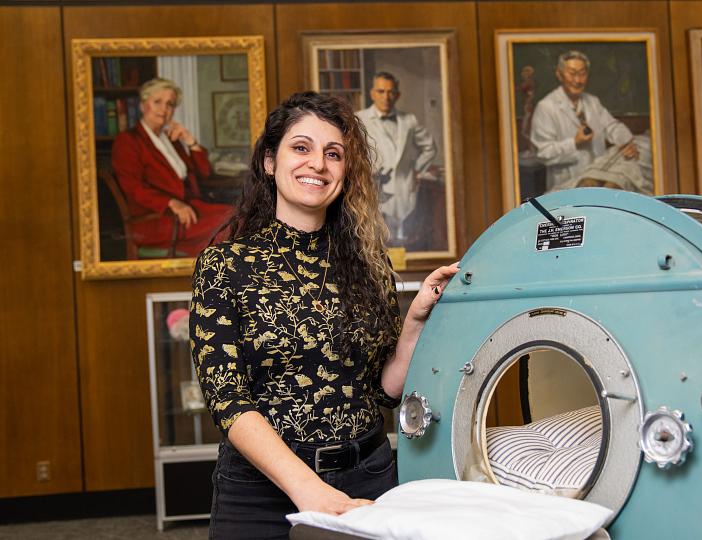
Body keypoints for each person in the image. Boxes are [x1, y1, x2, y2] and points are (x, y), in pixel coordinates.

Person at [190, 91, 458, 539]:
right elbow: (228, 401)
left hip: (367, 475)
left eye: (333, 154)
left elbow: (382, 391)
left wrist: (412, 325)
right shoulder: (225, 266)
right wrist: (310, 490)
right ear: (269, 163)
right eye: (301, 147)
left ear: (344, 172)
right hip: (259, 492)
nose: (318, 163)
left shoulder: (370, 265)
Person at [111, 77, 233, 257]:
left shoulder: (170, 139)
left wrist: (190, 142)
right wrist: (171, 203)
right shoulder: (128, 141)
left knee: (239, 216)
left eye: (170, 104)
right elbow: (133, 187)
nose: (164, 109)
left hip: (188, 211)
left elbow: (204, 173)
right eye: (157, 102)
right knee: (231, 225)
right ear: (143, 105)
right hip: (156, 219)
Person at [529, 50, 640, 193]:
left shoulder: (592, 102)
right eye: (572, 73)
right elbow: (542, 153)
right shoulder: (546, 107)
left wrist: (626, 142)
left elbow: (612, 126)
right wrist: (574, 143)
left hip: (598, 180)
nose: (578, 80)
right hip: (567, 187)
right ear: (559, 74)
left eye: (582, 74)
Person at [356, 72, 437, 245]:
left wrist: (417, 169)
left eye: (391, 92)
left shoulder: (409, 120)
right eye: (381, 91)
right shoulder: (359, 120)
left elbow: (429, 147)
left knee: (406, 235)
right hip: (375, 187)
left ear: (397, 95)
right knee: (378, 237)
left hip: (404, 186)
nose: (386, 97)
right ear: (372, 94)